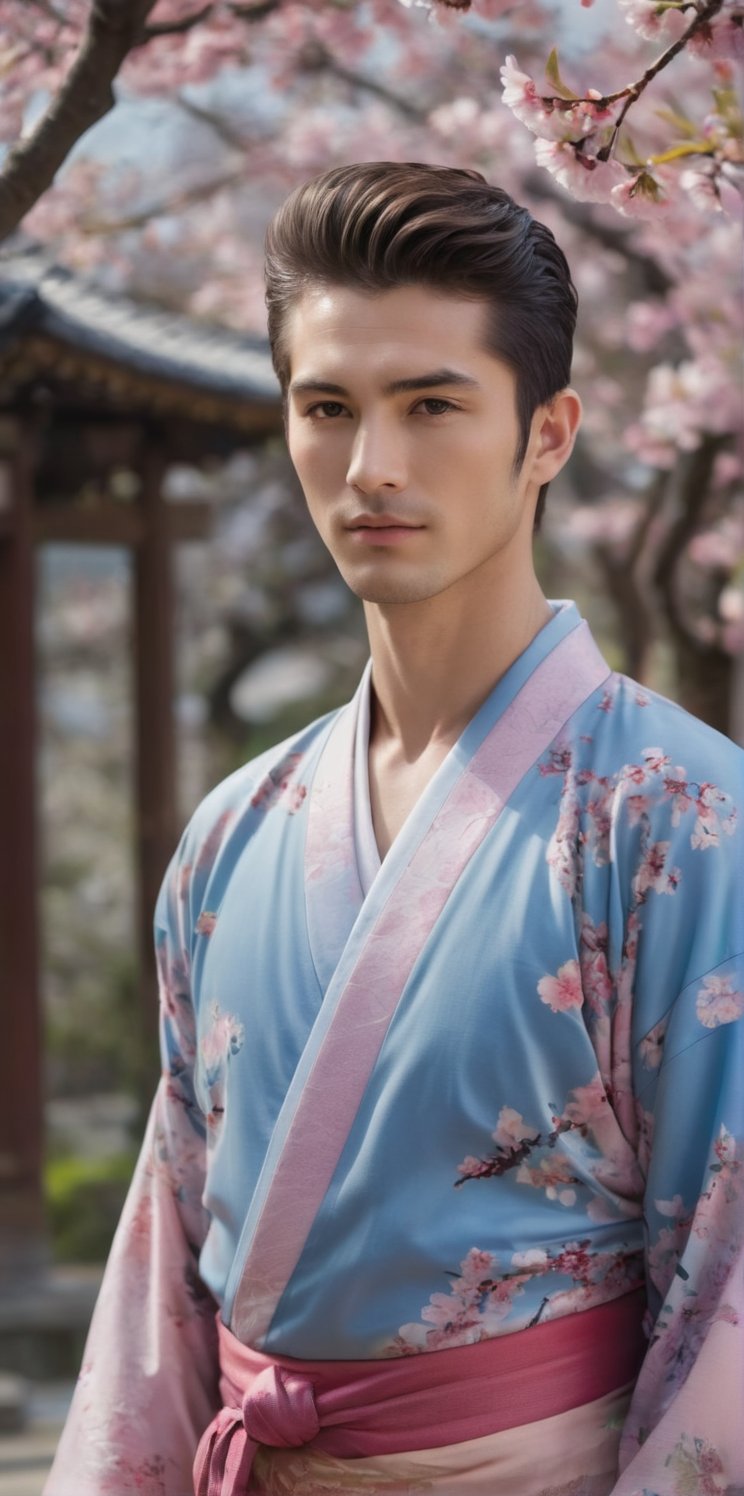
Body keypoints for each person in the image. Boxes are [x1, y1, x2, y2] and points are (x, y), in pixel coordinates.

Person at [45, 162, 743, 1496]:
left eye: (433, 405)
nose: (372, 467)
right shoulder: (233, 837)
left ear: (548, 434)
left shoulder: (680, 823)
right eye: (328, 407)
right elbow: (161, 1289)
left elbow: (731, 1304)